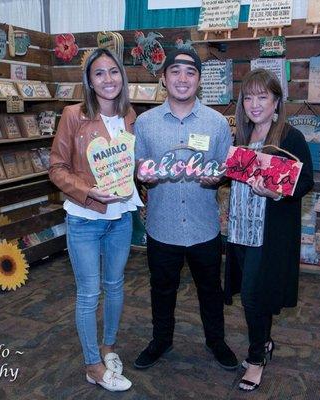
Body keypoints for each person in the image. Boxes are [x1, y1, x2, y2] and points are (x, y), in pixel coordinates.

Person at [133, 48, 238, 371]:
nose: (182, 78)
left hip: (202, 225)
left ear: (199, 80)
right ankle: (161, 340)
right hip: (162, 226)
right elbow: (137, 168)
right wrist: (142, 175)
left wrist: (217, 177)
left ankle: (216, 341)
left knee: (211, 290)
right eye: (175, 71)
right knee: (161, 289)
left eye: (190, 72)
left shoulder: (217, 123)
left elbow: (224, 168)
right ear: (163, 79)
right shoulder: (145, 123)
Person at [49, 48, 140, 392]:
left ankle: (108, 348)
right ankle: (92, 365)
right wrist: (88, 191)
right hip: (85, 218)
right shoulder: (74, 115)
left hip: (121, 216)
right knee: (89, 294)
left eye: (113, 72)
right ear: (88, 80)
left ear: (122, 76)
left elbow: (134, 162)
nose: (107, 79)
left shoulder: (130, 115)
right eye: (99, 73)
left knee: (115, 286)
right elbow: (56, 168)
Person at [224, 69, 314, 391]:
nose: (255, 104)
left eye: (263, 96)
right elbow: (230, 176)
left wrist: (277, 193)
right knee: (254, 294)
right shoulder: (241, 136)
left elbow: (306, 182)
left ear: (276, 100)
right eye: (249, 97)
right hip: (240, 229)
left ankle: (257, 357)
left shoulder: (291, 137)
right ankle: (265, 342)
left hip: (270, 232)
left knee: (251, 296)